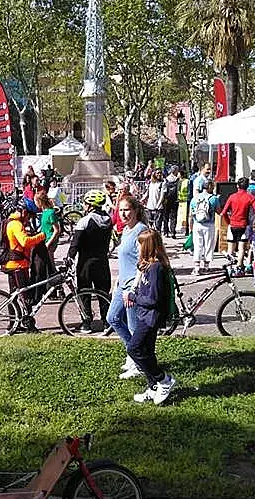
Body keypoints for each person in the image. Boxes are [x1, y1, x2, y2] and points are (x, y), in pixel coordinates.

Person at [126, 230, 174, 405]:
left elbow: (153, 299)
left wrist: (133, 297)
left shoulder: (156, 268)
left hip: (150, 317)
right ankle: (153, 386)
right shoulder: (148, 266)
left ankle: (163, 380)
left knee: (134, 348)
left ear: (147, 246)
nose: (137, 247)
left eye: (139, 244)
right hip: (144, 314)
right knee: (147, 351)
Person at [107, 196, 148, 378]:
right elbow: (125, 259)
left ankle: (137, 363)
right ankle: (134, 355)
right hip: (122, 285)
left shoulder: (141, 231)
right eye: (121, 210)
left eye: (127, 210)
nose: (123, 214)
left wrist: (133, 289)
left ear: (135, 210)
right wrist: (117, 279)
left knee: (133, 327)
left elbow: (144, 262)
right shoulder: (125, 231)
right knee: (113, 318)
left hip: (133, 288)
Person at [67, 189, 113, 333]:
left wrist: (69, 258)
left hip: (86, 263)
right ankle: (106, 322)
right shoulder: (108, 219)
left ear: (90, 205)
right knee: (103, 292)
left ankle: (86, 323)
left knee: (84, 293)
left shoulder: (85, 221)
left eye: (85, 203)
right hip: (102, 261)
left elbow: (76, 243)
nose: (84, 205)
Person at [4, 199, 46, 332]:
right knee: (25, 296)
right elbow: (25, 242)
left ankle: (13, 325)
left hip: (14, 263)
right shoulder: (16, 224)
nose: (29, 218)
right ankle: (30, 326)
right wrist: (41, 236)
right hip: (17, 265)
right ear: (23, 212)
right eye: (28, 215)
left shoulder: (13, 222)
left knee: (14, 295)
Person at [221, 177, 255, 276]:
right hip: (244, 225)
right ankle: (240, 268)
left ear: (237, 186)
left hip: (232, 224)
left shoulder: (232, 197)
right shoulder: (250, 197)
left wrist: (229, 222)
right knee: (242, 249)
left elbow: (223, 213)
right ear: (247, 186)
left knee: (230, 248)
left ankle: (230, 268)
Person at [190, 179, 220, 275]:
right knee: (208, 245)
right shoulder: (214, 198)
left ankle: (197, 268)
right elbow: (219, 211)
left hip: (197, 224)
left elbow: (191, 214)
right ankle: (206, 267)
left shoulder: (195, 198)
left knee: (198, 245)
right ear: (210, 187)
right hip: (209, 225)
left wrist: (191, 227)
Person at [162, 165, 180, 238]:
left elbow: (164, 191)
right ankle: (173, 232)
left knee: (166, 216)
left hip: (167, 200)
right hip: (175, 200)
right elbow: (179, 190)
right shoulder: (178, 180)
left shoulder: (166, 180)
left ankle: (166, 232)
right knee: (173, 216)